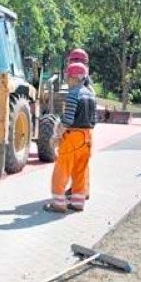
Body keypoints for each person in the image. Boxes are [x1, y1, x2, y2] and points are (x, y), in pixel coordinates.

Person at [44, 62, 96, 213]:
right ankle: (78, 203)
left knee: (62, 170)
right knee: (80, 170)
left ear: (74, 77)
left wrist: (56, 136)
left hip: (72, 137)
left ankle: (59, 204)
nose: (66, 79)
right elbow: (94, 120)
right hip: (87, 138)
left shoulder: (73, 94)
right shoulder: (90, 95)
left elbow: (67, 120)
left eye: (68, 76)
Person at [66, 47, 95, 200]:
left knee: (78, 163)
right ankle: (81, 189)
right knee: (82, 163)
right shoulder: (89, 87)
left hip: (79, 130)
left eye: (76, 61)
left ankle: (81, 190)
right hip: (87, 130)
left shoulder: (83, 88)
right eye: (73, 61)